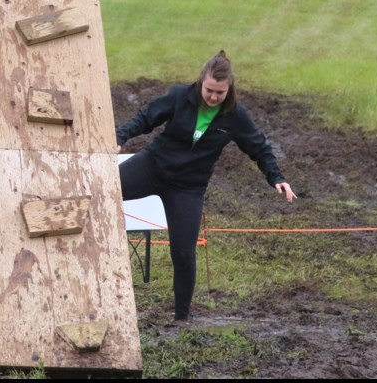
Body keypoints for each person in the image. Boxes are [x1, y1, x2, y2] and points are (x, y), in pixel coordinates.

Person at [115, 51, 296, 325]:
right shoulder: (179, 96)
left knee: (184, 252)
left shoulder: (236, 117)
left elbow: (259, 147)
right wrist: (120, 137)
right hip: (153, 166)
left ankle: (181, 319)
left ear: (229, 90)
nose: (213, 97)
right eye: (209, 90)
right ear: (201, 82)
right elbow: (145, 118)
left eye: (220, 93)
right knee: (103, 191)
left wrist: (276, 178)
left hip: (188, 188)